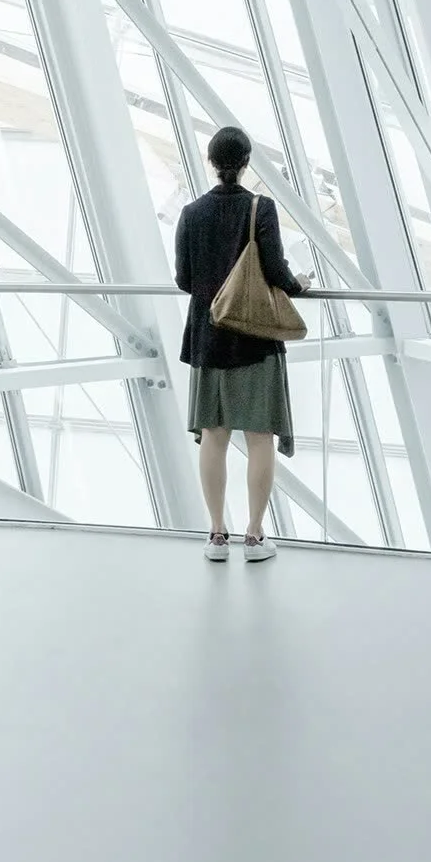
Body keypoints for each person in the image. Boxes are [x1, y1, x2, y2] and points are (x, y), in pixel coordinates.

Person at [173, 124, 309, 563]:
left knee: (214, 437)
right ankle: (253, 536)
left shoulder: (191, 213)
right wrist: (298, 285)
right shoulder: (259, 208)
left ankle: (217, 535)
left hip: (208, 338)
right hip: (253, 339)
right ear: (247, 162)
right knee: (259, 438)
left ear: (212, 163)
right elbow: (275, 270)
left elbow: (184, 279)